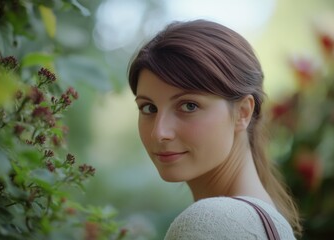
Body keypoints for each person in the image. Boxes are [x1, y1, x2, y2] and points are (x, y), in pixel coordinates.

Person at [128, 19, 302, 239]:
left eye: (189, 106)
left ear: (243, 112)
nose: (159, 132)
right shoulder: (271, 223)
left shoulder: (212, 223)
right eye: (149, 108)